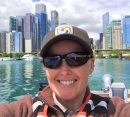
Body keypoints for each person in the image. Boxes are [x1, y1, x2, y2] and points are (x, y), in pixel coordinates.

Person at [0, 24, 130, 117]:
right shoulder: (25, 110)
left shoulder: (113, 110)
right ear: (44, 67)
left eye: (75, 59)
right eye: (52, 60)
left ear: (91, 65)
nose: (64, 71)